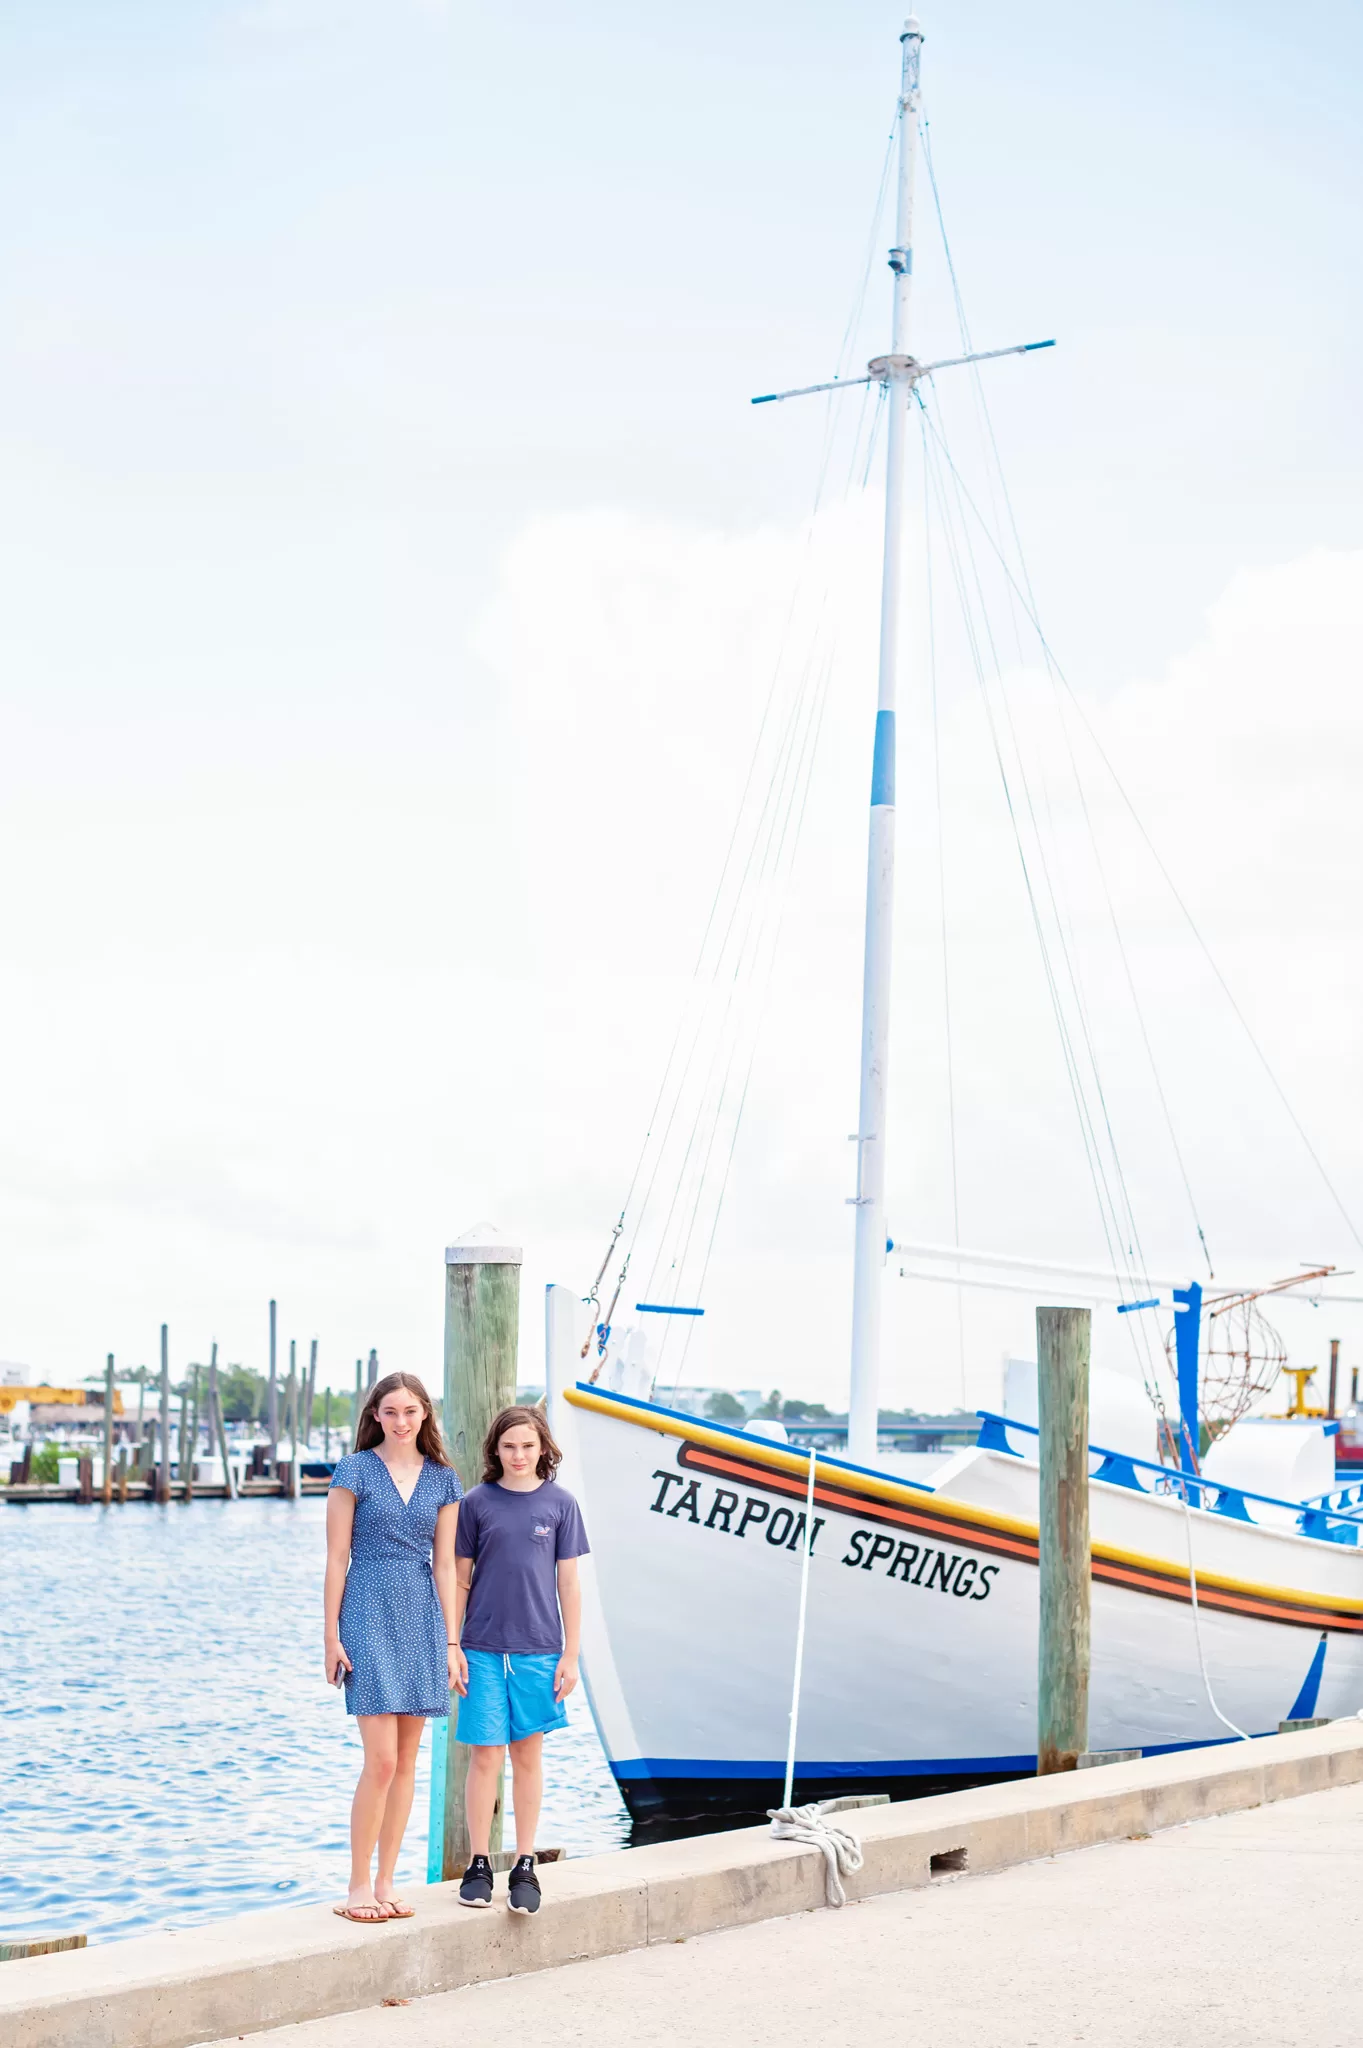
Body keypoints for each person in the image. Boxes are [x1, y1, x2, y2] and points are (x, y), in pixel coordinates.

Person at [324, 1371, 462, 1922]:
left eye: (410, 1411)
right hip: (366, 1611)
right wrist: (330, 1635)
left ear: (425, 1413)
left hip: (423, 1614)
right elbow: (337, 1558)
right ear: (375, 1417)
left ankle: (386, 1881)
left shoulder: (444, 1480)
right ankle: (358, 1884)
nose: (401, 1422)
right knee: (380, 1761)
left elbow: (447, 1564)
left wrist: (452, 1640)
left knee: (407, 1763)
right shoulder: (354, 1470)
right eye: (390, 1412)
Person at [450, 1404, 589, 1915]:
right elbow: (460, 1580)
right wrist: (452, 1645)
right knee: (485, 1755)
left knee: (528, 1756)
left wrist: (571, 1655)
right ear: (495, 1450)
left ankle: (525, 1863)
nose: (518, 1455)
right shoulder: (475, 1503)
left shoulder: (560, 1504)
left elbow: (568, 1584)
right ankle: (479, 1862)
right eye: (509, 1446)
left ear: (542, 1449)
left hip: (539, 1651)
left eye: (527, 1446)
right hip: (482, 1650)